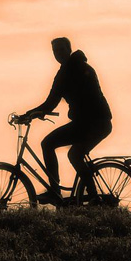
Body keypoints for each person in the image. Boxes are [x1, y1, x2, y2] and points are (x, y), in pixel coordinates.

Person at [22, 37, 113, 203]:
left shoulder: (75, 70)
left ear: (69, 50)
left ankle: (86, 196)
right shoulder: (70, 70)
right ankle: (66, 193)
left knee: (65, 150)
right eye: (55, 51)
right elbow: (51, 101)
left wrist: (31, 113)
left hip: (94, 123)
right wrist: (34, 112)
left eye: (61, 50)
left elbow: (52, 103)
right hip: (89, 123)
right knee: (65, 150)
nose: (58, 54)